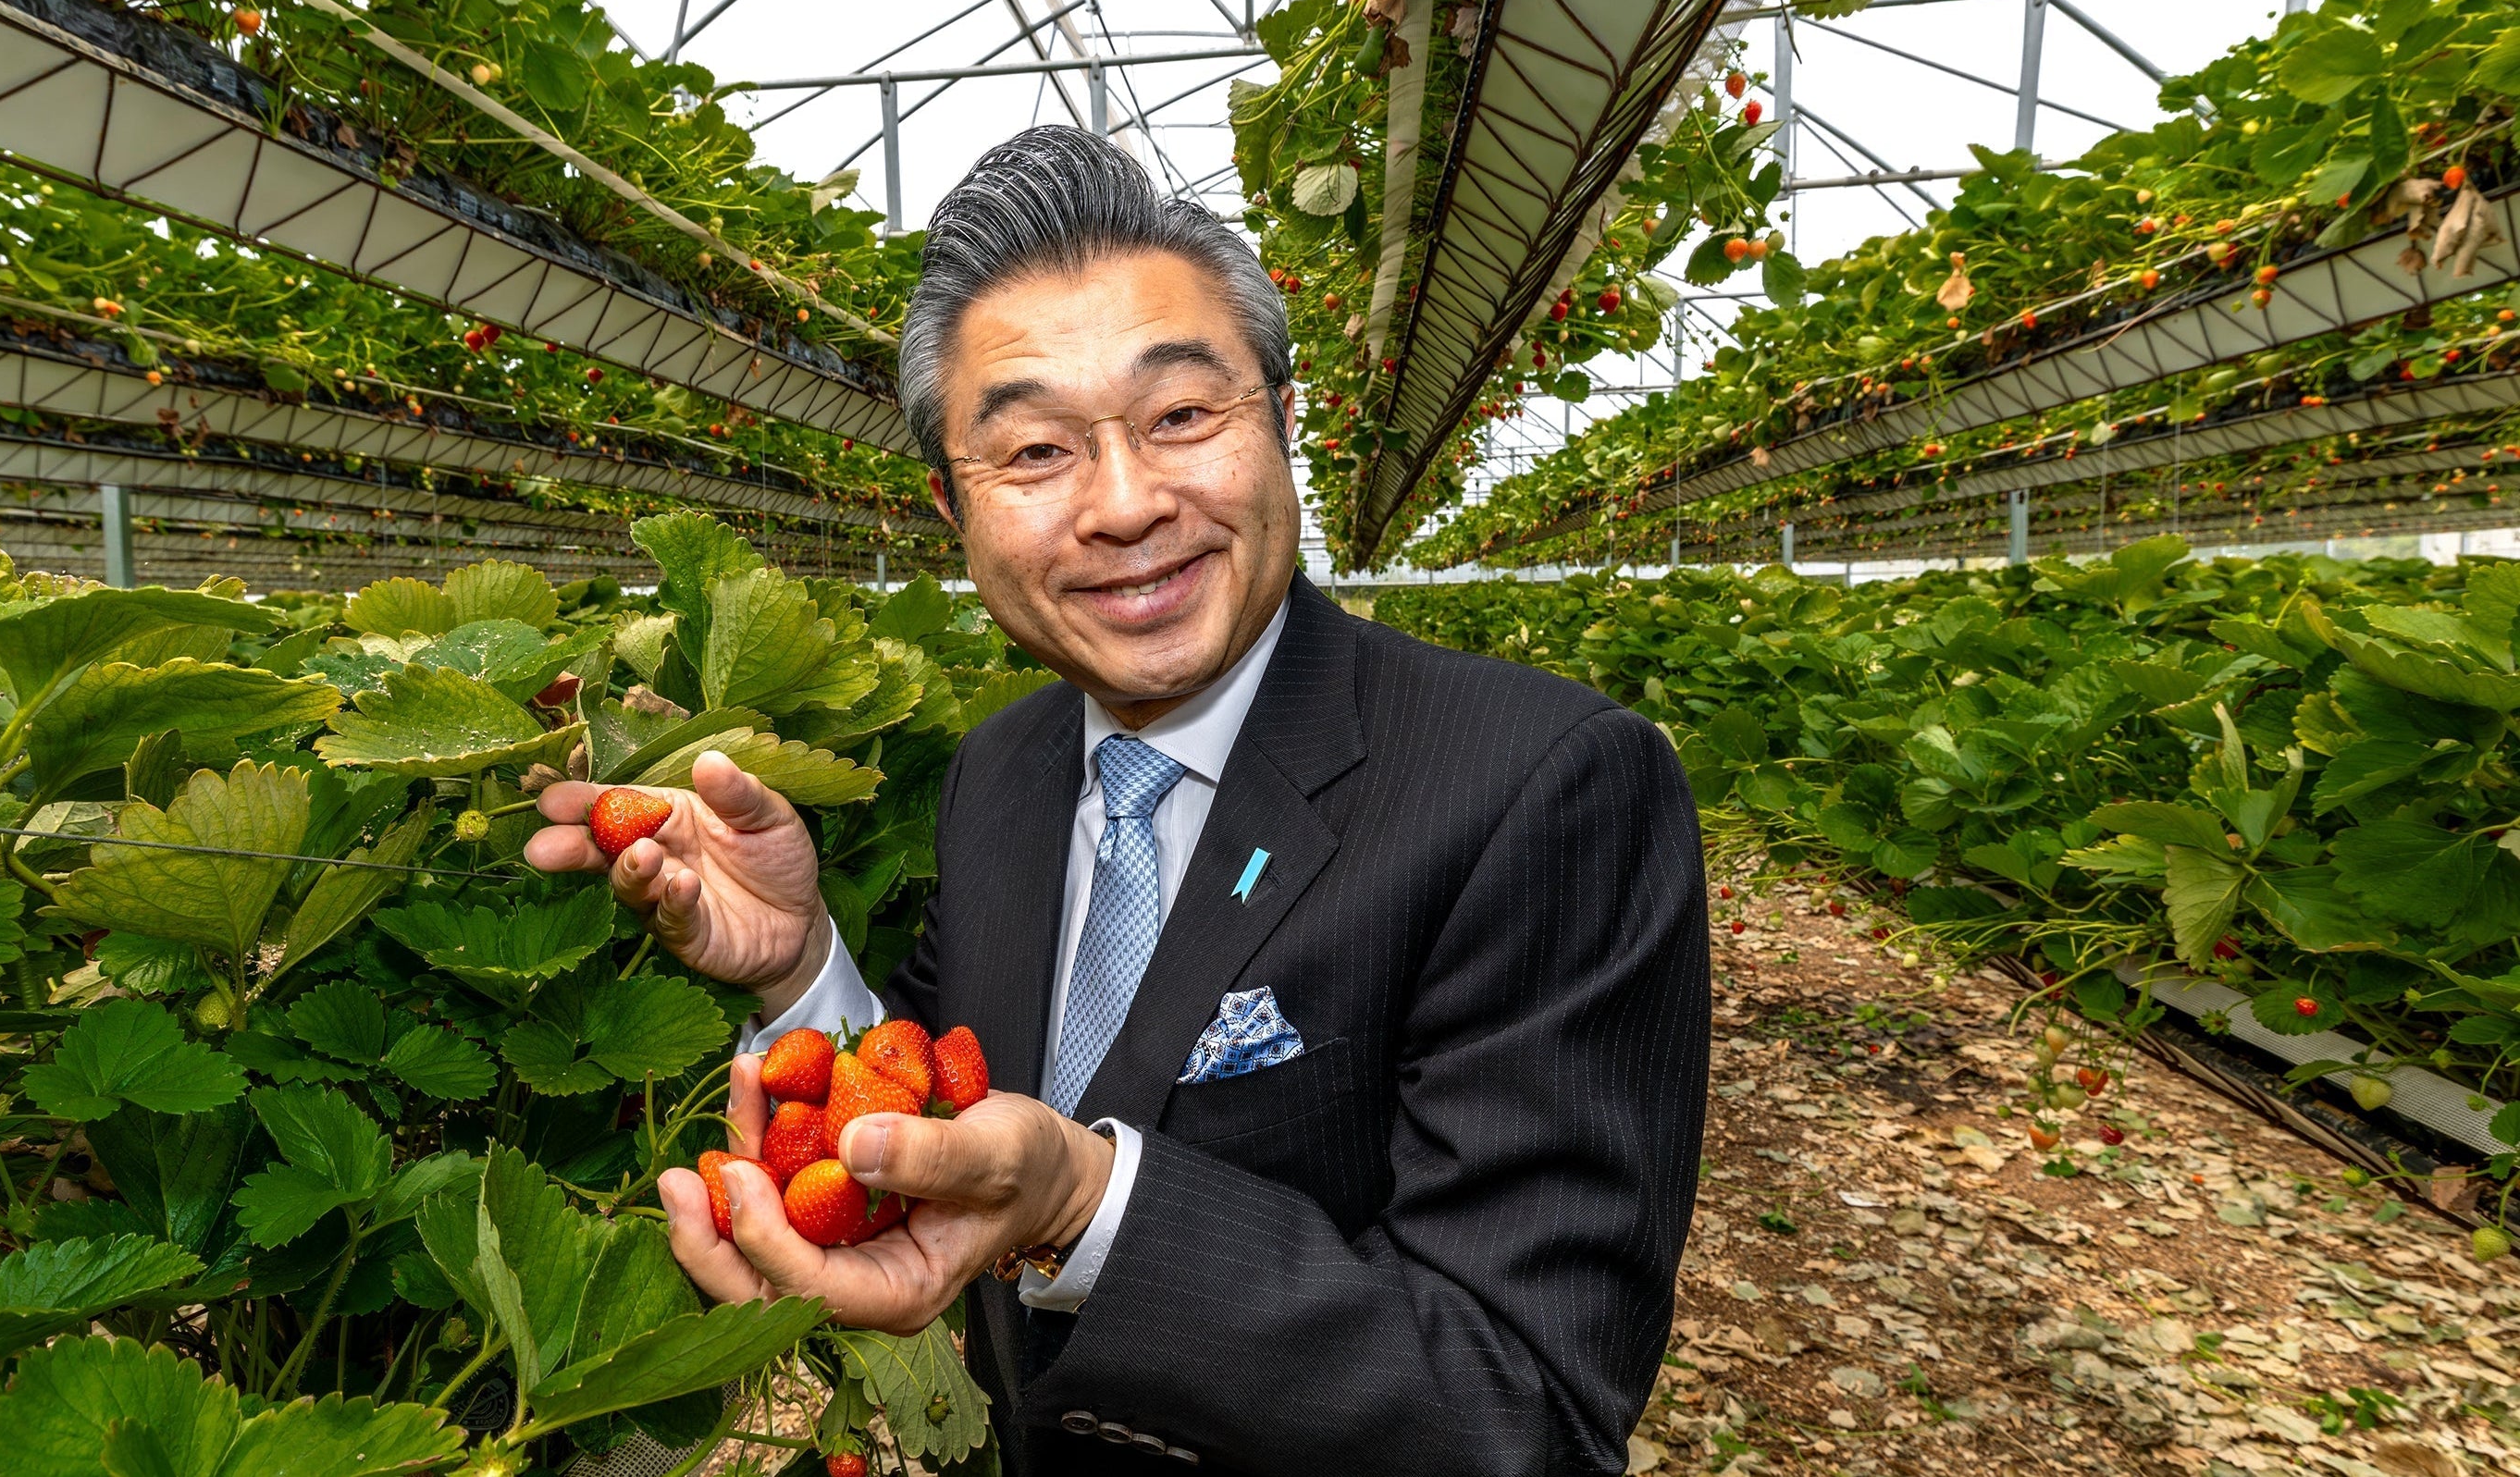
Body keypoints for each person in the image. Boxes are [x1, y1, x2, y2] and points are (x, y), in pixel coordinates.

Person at [527, 126, 1710, 1476]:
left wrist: (1089, 1206)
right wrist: (800, 967)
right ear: (950, 503)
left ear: (1279, 415)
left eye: (1182, 416)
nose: (1125, 504)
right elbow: (960, 1102)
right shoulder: (1004, 772)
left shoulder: (1539, 784)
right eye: (1033, 450)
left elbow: (1527, 1413)